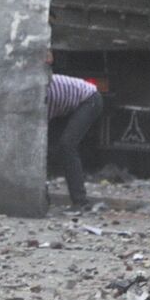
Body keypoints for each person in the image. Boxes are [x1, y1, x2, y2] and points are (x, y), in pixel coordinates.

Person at [47, 66, 102, 210]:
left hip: (89, 99)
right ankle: (44, 197)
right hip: (68, 105)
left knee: (67, 146)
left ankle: (81, 202)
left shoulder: (44, 98)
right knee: (51, 147)